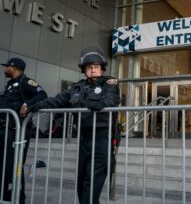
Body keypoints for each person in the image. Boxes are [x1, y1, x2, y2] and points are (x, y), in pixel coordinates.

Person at [28, 46, 120, 204]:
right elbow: (57, 100)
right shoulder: (77, 87)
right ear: (84, 70)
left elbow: (107, 102)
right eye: (89, 67)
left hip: (102, 138)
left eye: (96, 67)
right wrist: (32, 106)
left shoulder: (109, 84)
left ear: (102, 69)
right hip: (84, 138)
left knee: (92, 182)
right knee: (82, 180)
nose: (93, 70)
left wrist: (81, 103)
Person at [0, 57, 47, 204]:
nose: (5, 69)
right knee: (3, 167)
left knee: (13, 167)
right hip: (5, 130)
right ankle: (5, 198)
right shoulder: (9, 84)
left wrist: (27, 104)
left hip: (17, 131)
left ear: (14, 68)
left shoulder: (25, 82)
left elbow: (42, 95)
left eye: (7, 67)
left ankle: (17, 200)